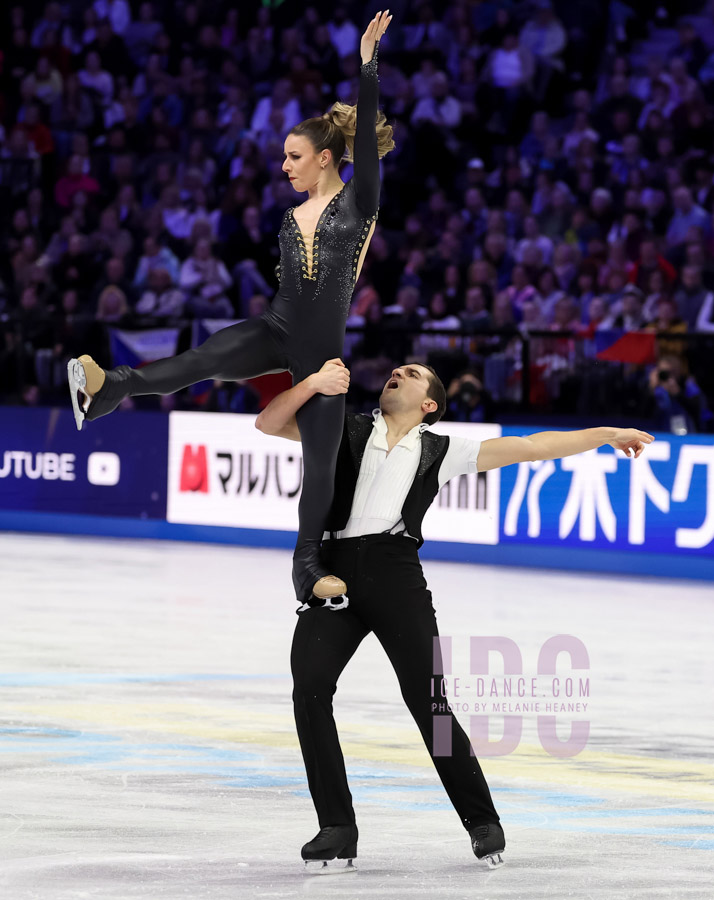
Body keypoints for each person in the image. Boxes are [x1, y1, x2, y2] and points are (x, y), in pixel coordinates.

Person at [255, 359, 654, 870]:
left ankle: (483, 821)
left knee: (431, 704)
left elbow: (536, 446)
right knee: (309, 690)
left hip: (395, 574)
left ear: (429, 406)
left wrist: (608, 433)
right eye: (397, 369)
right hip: (331, 571)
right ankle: (337, 826)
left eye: (413, 373)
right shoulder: (346, 426)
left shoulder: (442, 449)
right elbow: (268, 422)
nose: (398, 370)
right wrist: (311, 385)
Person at [67, 11, 395, 606]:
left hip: (324, 359)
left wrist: (368, 66)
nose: (285, 166)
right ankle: (109, 387)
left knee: (319, 466)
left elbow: (367, 150)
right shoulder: (287, 220)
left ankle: (307, 568)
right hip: (275, 330)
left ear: (325, 158)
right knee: (201, 359)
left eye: (294, 157)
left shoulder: (358, 205)